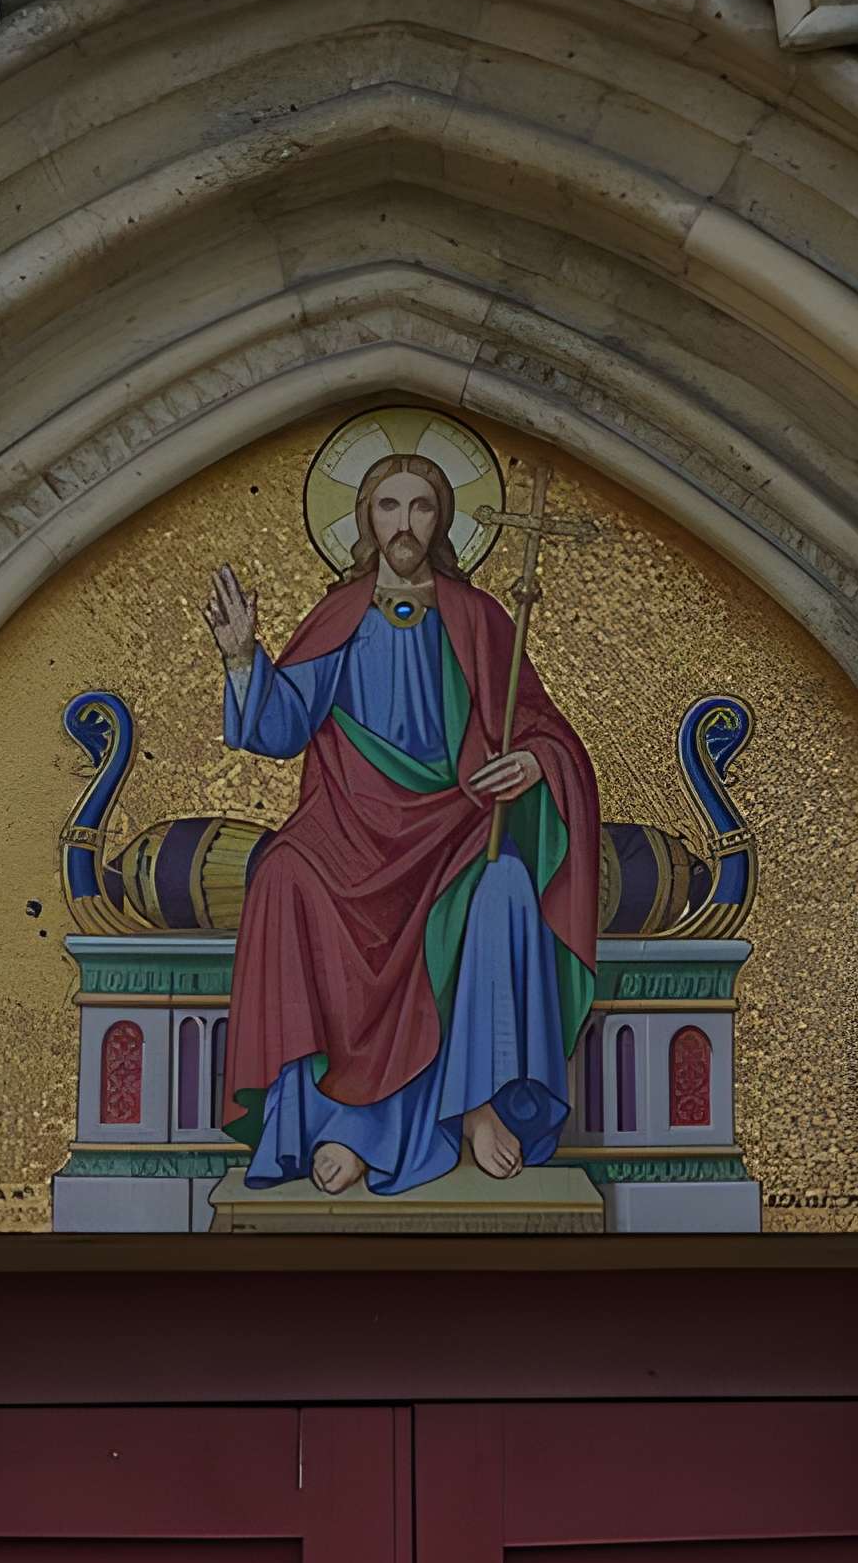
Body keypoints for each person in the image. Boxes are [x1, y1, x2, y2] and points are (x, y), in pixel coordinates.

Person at [201, 453, 600, 1195]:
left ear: (442, 519)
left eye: (421, 506)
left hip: (457, 823)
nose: (405, 523)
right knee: (283, 875)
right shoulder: (341, 614)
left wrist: (535, 765)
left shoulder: (478, 616)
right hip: (351, 827)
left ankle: (479, 1104)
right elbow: (284, 723)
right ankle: (332, 1123)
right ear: (366, 520)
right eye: (390, 506)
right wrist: (241, 659)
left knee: (506, 884)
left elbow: (547, 730)